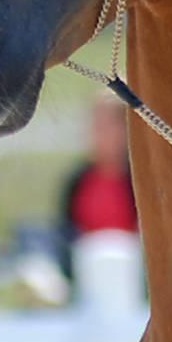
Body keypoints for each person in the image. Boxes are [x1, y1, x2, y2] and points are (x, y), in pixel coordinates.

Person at [60, 93, 137, 240]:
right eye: (95, 125)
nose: (97, 133)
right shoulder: (78, 180)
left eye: (106, 126)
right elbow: (66, 228)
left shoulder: (137, 182)